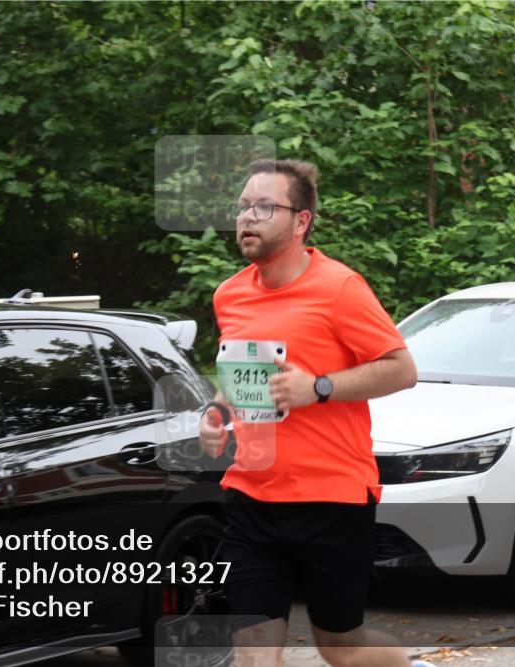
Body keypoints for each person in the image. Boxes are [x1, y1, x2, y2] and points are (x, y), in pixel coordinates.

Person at [199, 159, 429, 667]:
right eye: (242, 207)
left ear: (301, 221)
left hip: (332, 499)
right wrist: (216, 413)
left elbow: (402, 369)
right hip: (252, 497)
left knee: (340, 649)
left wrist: (318, 388)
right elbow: (242, 376)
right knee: (254, 653)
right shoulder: (229, 294)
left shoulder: (340, 288)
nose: (247, 218)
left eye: (264, 207)